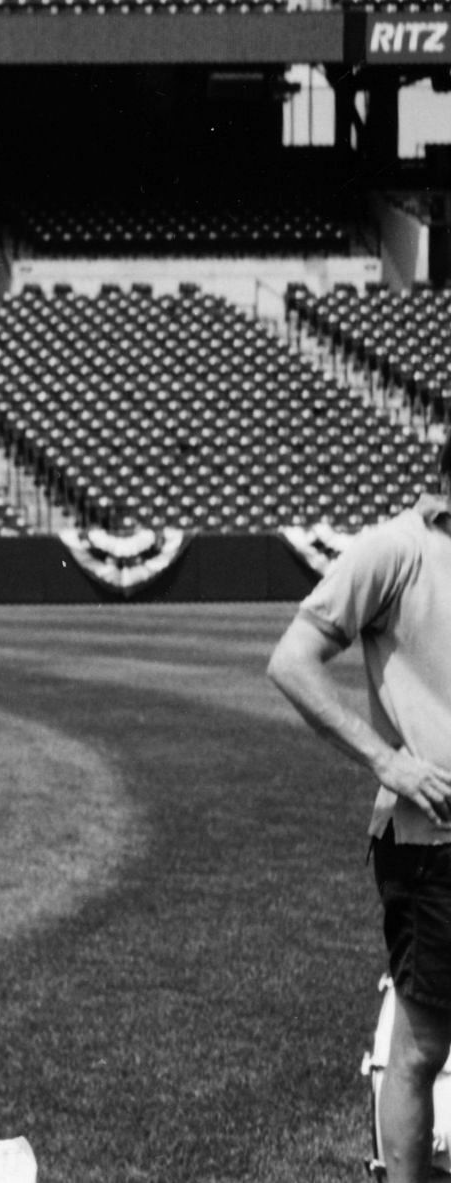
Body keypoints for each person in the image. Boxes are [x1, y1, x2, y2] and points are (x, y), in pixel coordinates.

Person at [269, 438, 451, 1183]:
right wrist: (386, 760)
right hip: (434, 840)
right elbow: (291, 660)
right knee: (423, 1047)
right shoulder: (396, 549)